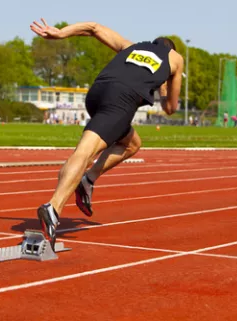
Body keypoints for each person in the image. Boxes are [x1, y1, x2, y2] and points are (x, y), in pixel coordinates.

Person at [30, 18, 184, 249]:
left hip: (97, 93)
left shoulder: (130, 46)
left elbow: (93, 28)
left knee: (132, 144)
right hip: (121, 100)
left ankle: (88, 179)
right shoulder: (175, 58)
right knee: (85, 152)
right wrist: (164, 85)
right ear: (170, 49)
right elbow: (170, 109)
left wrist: (61, 33)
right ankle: (53, 206)